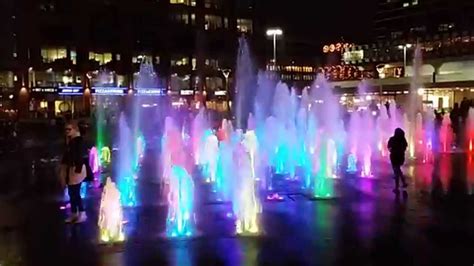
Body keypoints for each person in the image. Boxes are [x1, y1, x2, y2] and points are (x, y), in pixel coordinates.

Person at [60, 121, 87, 223]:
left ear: (75, 130)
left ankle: (81, 213)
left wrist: (77, 169)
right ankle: (74, 213)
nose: (67, 131)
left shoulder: (77, 140)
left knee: (75, 192)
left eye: (69, 129)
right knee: (72, 192)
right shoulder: (71, 141)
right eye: (66, 129)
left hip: (77, 169)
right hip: (72, 169)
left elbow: (79, 155)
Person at [387, 128, 408, 192]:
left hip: (394, 156)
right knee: (398, 170)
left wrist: (391, 150)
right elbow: (405, 146)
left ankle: (397, 187)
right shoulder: (402, 139)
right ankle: (403, 183)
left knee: (396, 171)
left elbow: (388, 146)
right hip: (400, 157)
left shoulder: (392, 139)